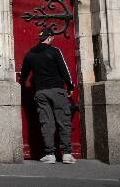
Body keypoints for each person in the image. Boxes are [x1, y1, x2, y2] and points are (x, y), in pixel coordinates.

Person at [19, 29, 76, 164]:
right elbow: (64, 70)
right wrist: (70, 86)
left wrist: (25, 86)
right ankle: (67, 154)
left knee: (46, 123)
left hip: (41, 92)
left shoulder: (30, 54)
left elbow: (23, 75)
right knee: (64, 122)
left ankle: (50, 154)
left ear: (40, 39)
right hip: (57, 90)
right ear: (49, 38)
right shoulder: (55, 51)